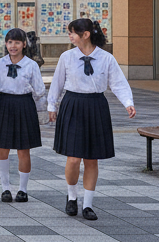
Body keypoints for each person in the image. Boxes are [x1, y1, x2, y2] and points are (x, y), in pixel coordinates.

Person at [48, 18, 135, 221]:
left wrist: (128, 102)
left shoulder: (106, 58)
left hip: (96, 105)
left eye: (72, 32)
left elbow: (118, 83)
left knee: (91, 158)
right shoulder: (67, 57)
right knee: (73, 158)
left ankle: (87, 204)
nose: (70, 36)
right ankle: (71, 197)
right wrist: (51, 106)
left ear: (85, 34)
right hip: (73, 104)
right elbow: (57, 82)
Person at [0, 28, 46, 203]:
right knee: (2, 148)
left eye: (17, 42)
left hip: (24, 105)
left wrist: (42, 110)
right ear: (5, 44)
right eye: (9, 42)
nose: (13, 46)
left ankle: (23, 189)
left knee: (24, 149)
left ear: (24, 44)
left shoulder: (31, 65)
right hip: (4, 104)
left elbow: (39, 91)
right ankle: (5, 187)